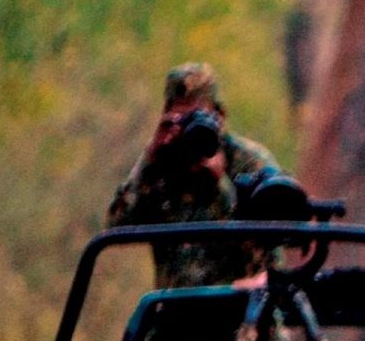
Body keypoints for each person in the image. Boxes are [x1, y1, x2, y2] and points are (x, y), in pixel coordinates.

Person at [107, 63, 278, 289]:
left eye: (198, 118)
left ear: (220, 116)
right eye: (182, 119)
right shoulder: (161, 165)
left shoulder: (247, 161)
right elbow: (117, 224)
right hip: (175, 311)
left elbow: (269, 243)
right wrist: (151, 158)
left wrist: (220, 184)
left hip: (244, 309)